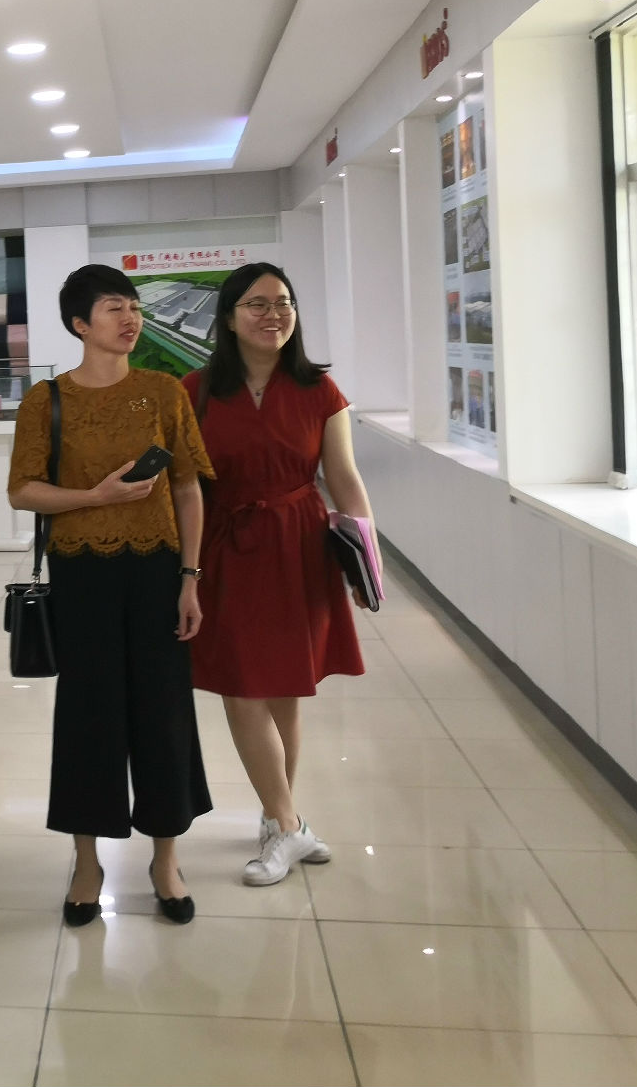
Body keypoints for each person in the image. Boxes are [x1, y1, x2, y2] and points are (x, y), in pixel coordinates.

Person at [6, 264, 213, 928]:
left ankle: (166, 858)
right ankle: (86, 861)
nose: (131, 319)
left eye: (134, 307)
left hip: (158, 572)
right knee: (88, 716)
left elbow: (188, 487)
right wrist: (94, 497)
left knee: (164, 711)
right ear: (79, 324)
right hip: (82, 575)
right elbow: (23, 490)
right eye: (114, 309)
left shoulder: (163, 392)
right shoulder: (47, 400)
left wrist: (191, 578)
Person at [180, 262, 372, 886]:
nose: (274, 315)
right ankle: (289, 825)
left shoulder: (320, 391)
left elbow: (343, 479)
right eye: (257, 304)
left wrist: (366, 560)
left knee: (288, 688)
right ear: (230, 317)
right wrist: (186, 571)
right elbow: (183, 487)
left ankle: (278, 820)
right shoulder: (195, 390)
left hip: (300, 546)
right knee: (243, 688)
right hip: (227, 547)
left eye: (283, 302)